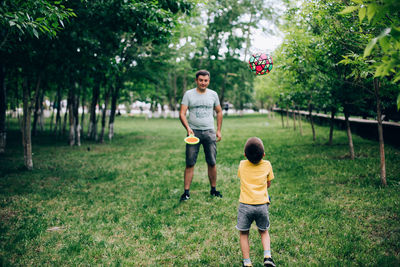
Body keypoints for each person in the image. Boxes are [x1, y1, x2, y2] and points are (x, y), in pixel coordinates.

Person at [179, 70, 223, 201]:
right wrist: (188, 128)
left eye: (206, 80)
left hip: (209, 131)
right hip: (193, 133)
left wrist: (218, 130)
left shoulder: (213, 94)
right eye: (201, 80)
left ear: (208, 81)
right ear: (196, 81)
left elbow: (219, 112)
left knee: (212, 162)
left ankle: (213, 190)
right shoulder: (188, 94)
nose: (203, 83)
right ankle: (186, 193)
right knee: (190, 163)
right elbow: (182, 113)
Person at [236, 137, 275, 267]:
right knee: (264, 231)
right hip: (262, 205)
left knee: (244, 233)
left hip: (245, 206)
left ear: (245, 155)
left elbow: (241, 177)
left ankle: (247, 263)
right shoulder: (267, 165)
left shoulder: (242, 164)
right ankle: (268, 256)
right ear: (263, 154)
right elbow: (268, 184)